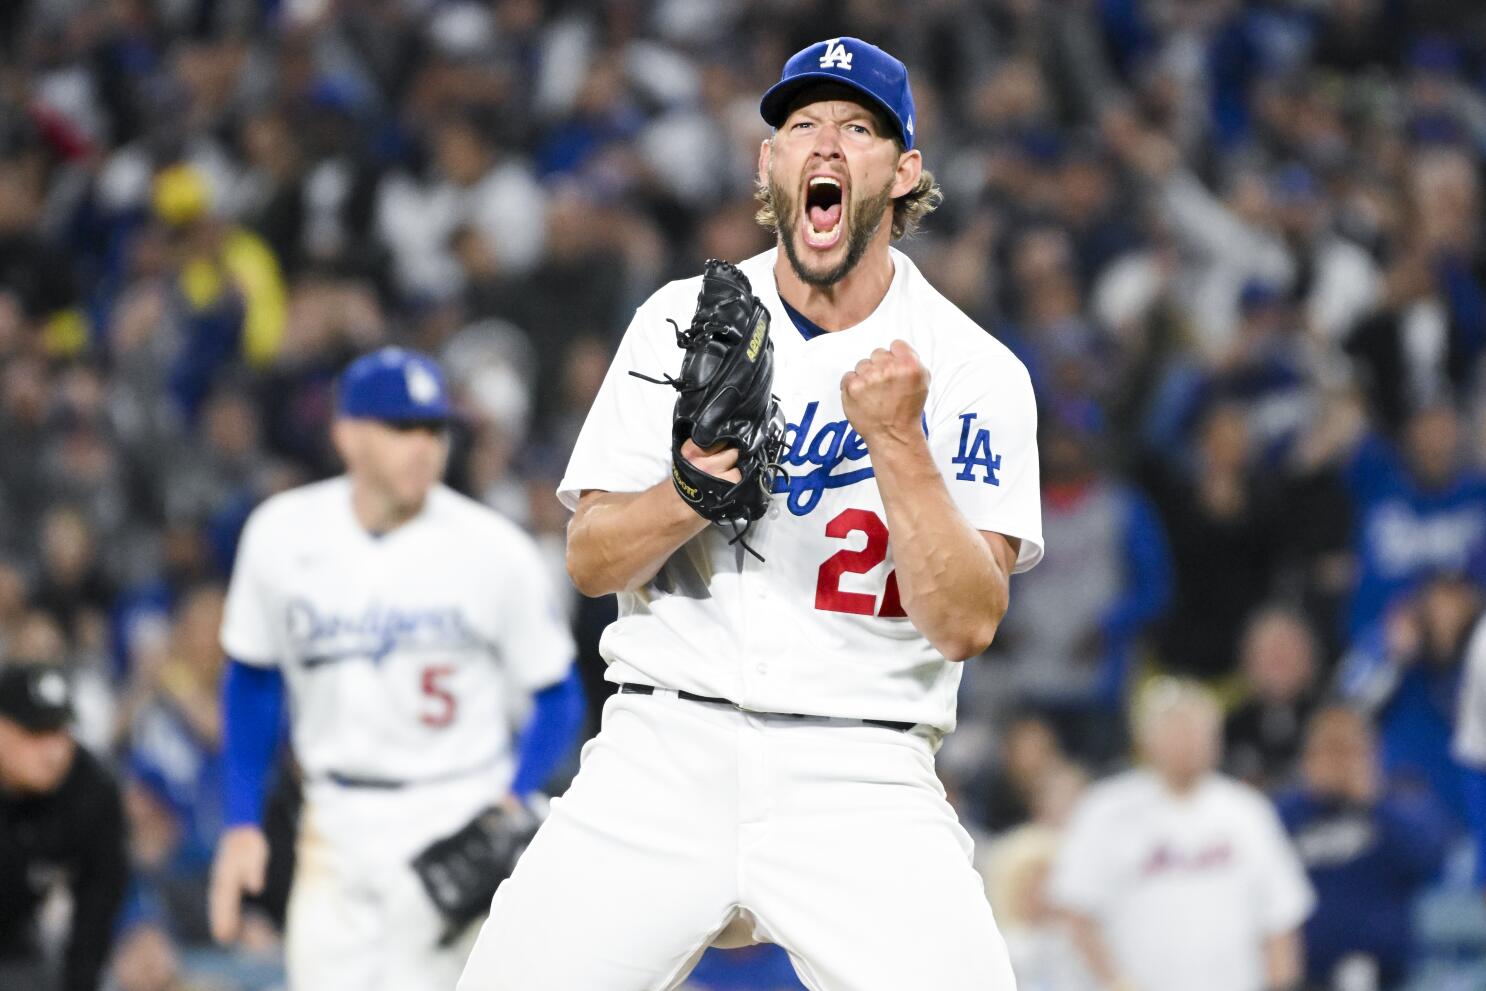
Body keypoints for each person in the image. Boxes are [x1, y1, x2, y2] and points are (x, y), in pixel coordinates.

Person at [460, 37, 1044, 990]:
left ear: (903, 173)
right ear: (766, 164)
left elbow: (969, 620)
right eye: (801, 125)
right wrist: (689, 490)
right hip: (663, 744)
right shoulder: (679, 321)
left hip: (861, 767)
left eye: (857, 127)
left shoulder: (972, 369)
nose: (825, 145)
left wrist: (899, 444)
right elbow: (591, 560)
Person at [206, 347, 585, 991]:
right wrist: (241, 823)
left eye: (435, 429)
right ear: (346, 434)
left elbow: (557, 695)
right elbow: (253, 681)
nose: (424, 447)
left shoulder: (494, 548)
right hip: (332, 828)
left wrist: (512, 798)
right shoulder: (280, 534)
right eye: (402, 428)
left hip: (459, 815)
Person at [1048, 678, 1314, 991]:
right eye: (1176, 731)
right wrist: (1113, 981)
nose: (1189, 743)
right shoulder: (1107, 809)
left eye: (1198, 731)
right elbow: (1075, 910)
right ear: (1147, 740)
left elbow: (1280, 919)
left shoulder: (1247, 811)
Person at [1278, 705, 1448, 991]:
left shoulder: (1400, 802)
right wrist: (1306, 796)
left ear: (1372, 753)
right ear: (1308, 756)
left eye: (1349, 750)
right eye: (1329, 750)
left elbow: (1430, 862)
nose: (1339, 762)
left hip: (1390, 975)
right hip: (1308, 974)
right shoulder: (1287, 813)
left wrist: (1372, 799)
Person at [0, 662, 128, 991]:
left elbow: (98, 902)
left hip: (21, 939)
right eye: (37, 733)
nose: (55, 751)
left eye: (61, 731)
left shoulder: (90, 789)